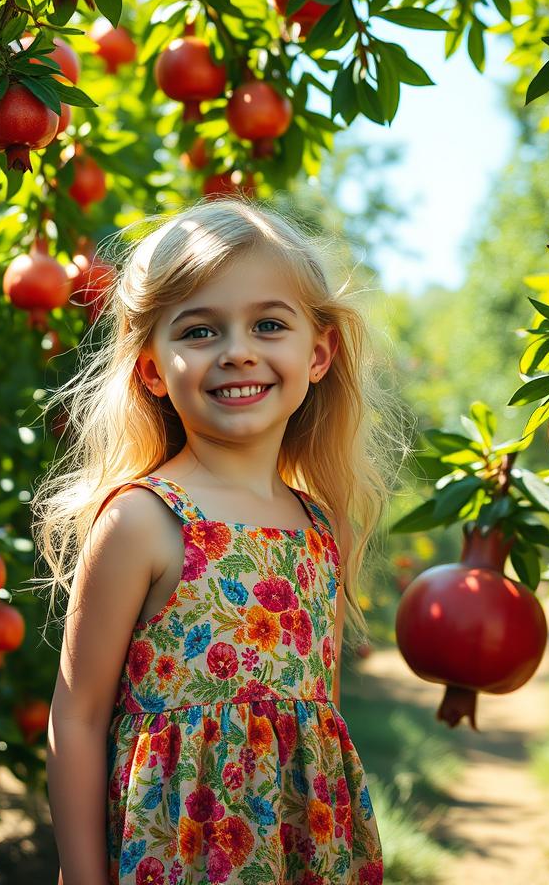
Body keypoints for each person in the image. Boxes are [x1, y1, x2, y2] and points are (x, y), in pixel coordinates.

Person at [34, 198, 402, 885]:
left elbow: (319, 721)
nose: (238, 351)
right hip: (178, 856)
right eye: (200, 331)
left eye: (268, 324)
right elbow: (77, 720)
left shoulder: (322, 525)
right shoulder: (145, 520)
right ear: (151, 369)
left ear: (318, 354)